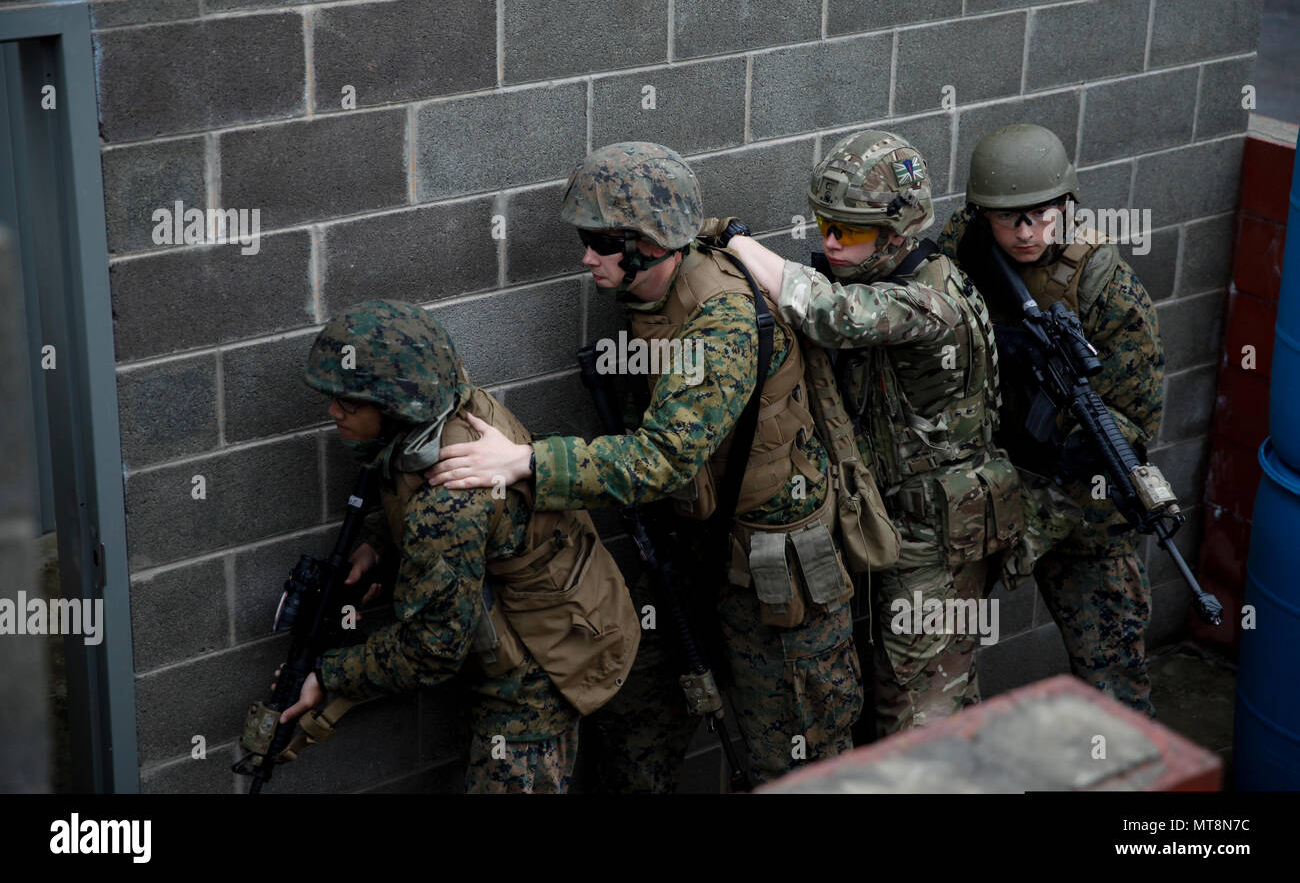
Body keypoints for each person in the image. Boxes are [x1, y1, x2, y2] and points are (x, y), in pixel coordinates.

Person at [428, 142, 863, 789]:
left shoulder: (722, 325)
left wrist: (524, 462)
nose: (586, 258)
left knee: (799, 763)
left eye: (602, 243)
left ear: (652, 245)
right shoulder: (656, 287)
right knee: (635, 730)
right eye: (586, 239)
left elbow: (661, 458)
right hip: (693, 550)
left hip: (776, 573)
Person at [726, 129, 1024, 737]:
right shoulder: (896, 273)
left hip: (935, 540)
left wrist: (735, 241)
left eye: (851, 232)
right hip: (893, 524)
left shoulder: (927, 302)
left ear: (898, 233)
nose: (831, 243)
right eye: (823, 224)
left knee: (920, 719)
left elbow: (825, 312)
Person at [283, 299, 640, 792]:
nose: (332, 412)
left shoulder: (449, 498)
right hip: (531, 628)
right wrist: (375, 548)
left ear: (395, 406)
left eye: (348, 402)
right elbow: (405, 489)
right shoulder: (445, 407)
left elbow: (432, 649)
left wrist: (331, 674)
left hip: (539, 676)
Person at [935, 123, 1162, 717]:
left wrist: (1077, 442)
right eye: (1009, 218)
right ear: (983, 214)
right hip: (981, 476)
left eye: (1041, 214)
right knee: (930, 651)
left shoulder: (1107, 290)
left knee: (1114, 676)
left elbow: (1136, 420)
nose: (1026, 232)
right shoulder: (965, 244)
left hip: (1076, 501)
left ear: (1066, 205)